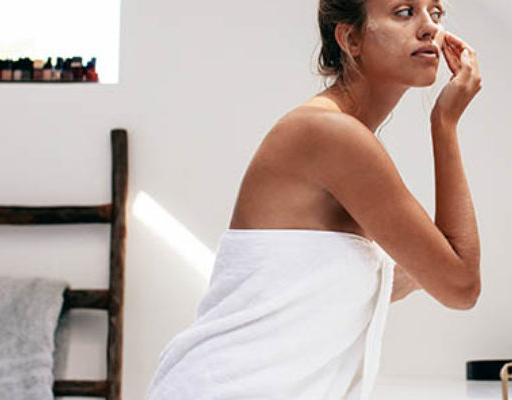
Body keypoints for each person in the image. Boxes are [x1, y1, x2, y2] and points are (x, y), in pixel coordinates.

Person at [145, 0, 481, 398]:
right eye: (404, 12)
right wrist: (444, 123)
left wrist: (428, 266)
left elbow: (319, 285)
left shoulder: (340, 134)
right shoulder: (332, 134)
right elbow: (461, 286)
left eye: (436, 13)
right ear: (350, 38)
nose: (429, 28)